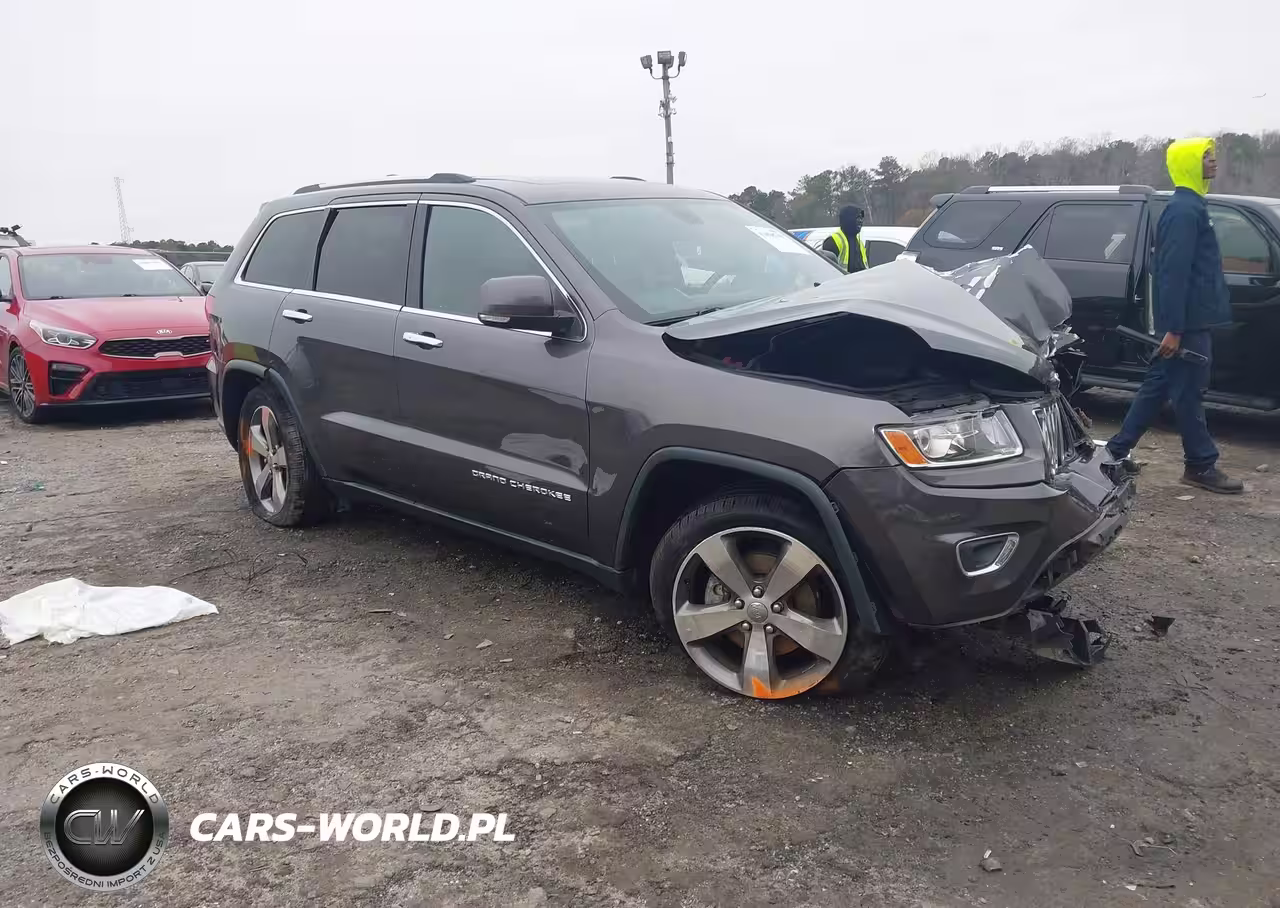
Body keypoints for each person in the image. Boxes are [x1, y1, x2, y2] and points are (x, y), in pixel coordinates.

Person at [1105, 137, 1242, 494]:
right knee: (1190, 392)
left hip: (1190, 321)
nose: (1213, 162)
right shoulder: (1184, 211)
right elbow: (1172, 273)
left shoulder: (1192, 206)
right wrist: (1174, 328)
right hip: (1188, 324)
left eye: (1213, 156)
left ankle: (1114, 454)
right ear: (1188, 163)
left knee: (1157, 388)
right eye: (1205, 156)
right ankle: (1200, 465)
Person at [823, 205, 868, 273]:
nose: (861, 221)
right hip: (842, 282)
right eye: (858, 218)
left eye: (861, 219)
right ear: (848, 219)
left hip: (860, 282)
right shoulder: (833, 241)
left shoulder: (859, 242)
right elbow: (828, 270)